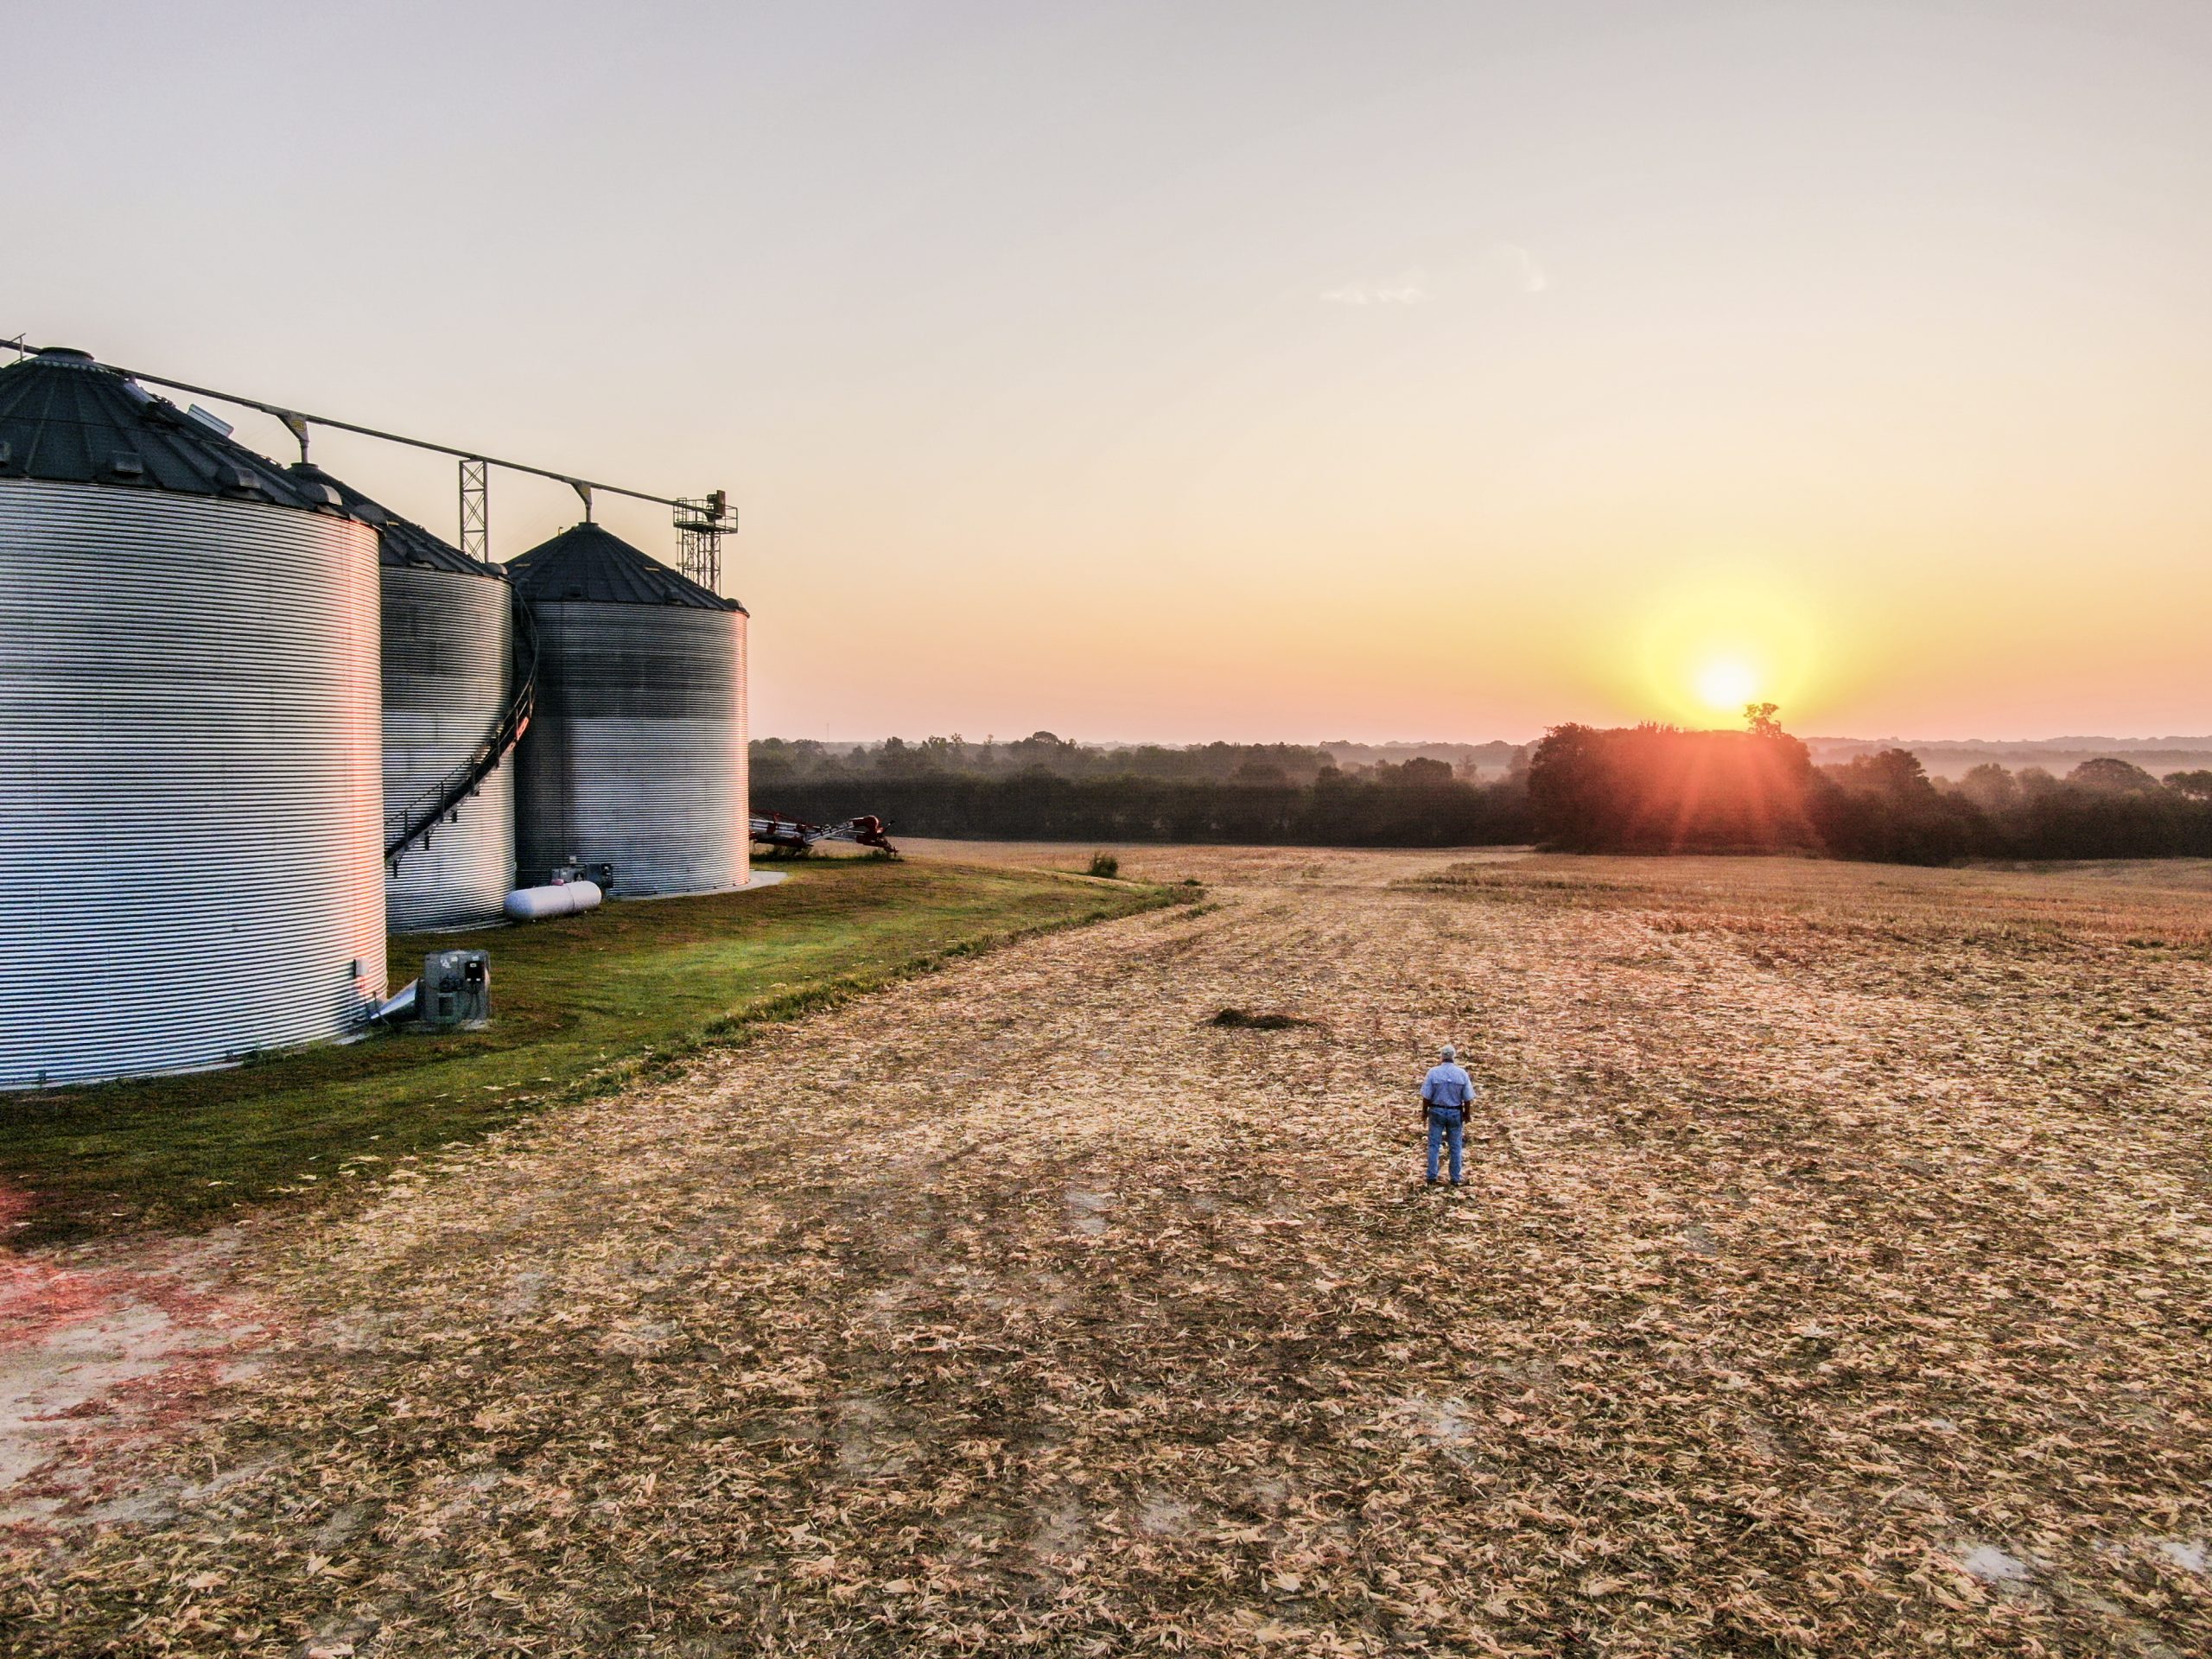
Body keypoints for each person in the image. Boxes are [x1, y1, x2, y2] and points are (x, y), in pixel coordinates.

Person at [1420, 1044, 1478, 1187]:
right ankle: (1455, 1177)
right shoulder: (1461, 1073)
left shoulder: (1433, 1072)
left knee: (1434, 1144)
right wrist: (1466, 1114)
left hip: (1436, 1111)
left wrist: (1424, 1112)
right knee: (1456, 1146)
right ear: (1453, 1057)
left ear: (1441, 1057)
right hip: (1455, 1112)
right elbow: (1468, 1098)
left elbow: (1426, 1096)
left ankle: (1431, 1176)